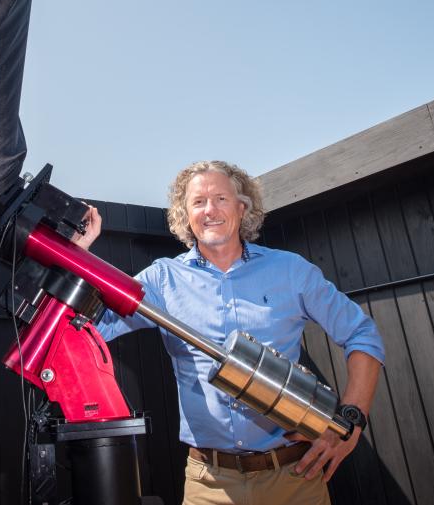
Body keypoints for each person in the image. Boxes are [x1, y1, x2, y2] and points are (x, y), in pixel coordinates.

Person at [72, 160, 384, 505]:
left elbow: (362, 334)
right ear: (184, 214)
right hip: (209, 484)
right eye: (198, 202)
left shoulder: (291, 270)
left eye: (221, 198)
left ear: (242, 207)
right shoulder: (162, 280)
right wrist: (77, 253)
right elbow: (86, 327)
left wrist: (350, 420)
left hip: (295, 479)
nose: (210, 210)